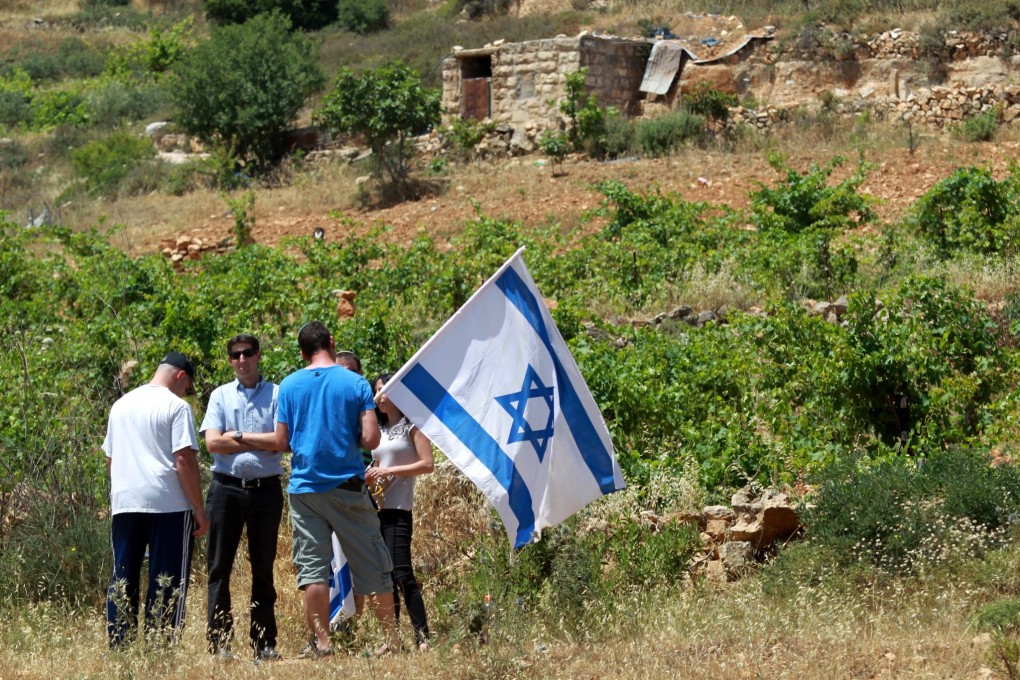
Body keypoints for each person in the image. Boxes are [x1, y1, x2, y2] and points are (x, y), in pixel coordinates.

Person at [275, 322, 398, 658]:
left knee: (313, 570)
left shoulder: (288, 386)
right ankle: (390, 639)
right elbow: (372, 439)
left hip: (305, 490)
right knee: (373, 561)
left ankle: (322, 644)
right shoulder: (355, 383)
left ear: (302, 352)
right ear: (331, 342)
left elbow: (282, 441)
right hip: (347, 488)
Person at [103, 351, 209, 648]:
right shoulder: (176, 407)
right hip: (168, 504)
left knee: (123, 576)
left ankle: (120, 645)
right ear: (181, 376)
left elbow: (111, 460)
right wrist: (199, 510)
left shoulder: (120, 405)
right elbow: (183, 459)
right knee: (168, 576)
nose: (185, 393)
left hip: (125, 502)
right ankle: (160, 646)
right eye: (187, 388)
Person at [200, 334, 284, 662]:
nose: (242, 360)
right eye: (235, 355)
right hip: (226, 490)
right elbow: (213, 444)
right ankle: (220, 644)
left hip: (266, 491)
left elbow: (281, 441)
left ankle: (264, 644)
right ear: (230, 360)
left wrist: (236, 435)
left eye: (247, 353)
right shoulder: (220, 396)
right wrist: (257, 441)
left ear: (259, 355)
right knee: (218, 567)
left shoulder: (278, 394)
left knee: (263, 569)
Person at [365, 372, 435, 651]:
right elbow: (378, 464)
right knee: (385, 576)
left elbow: (427, 464)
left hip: (399, 509)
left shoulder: (412, 427)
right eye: (377, 391)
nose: (380, 396)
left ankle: (422, 638)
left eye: (385, 389)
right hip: (377, 509)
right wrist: (371, 474)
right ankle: (392, 640)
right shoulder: (378, 433)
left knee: (403, 573)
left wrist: (389, 470)